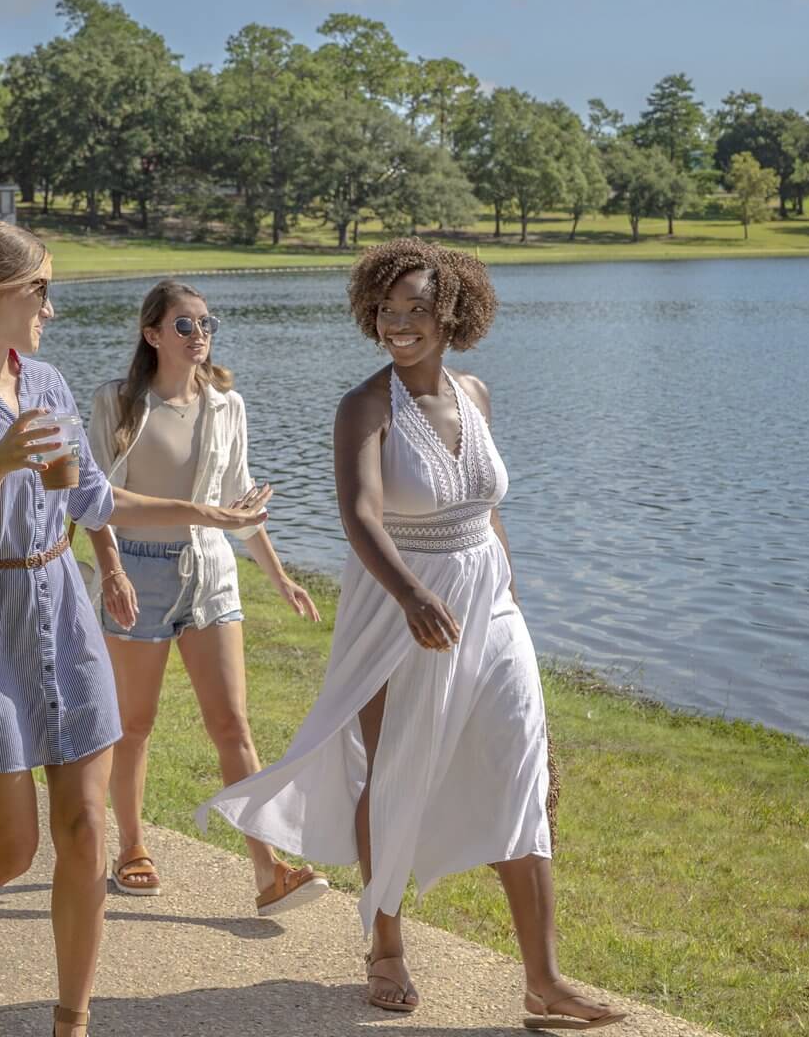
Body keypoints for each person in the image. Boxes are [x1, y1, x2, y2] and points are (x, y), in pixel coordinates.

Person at [199, 238, 627, 1030]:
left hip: (489, 606)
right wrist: (411, 595)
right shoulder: (365, 405)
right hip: (398, 609)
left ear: (453, 312)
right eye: (388, 311)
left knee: (523, 773)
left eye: (416, 310)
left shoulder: (477, 393)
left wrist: (512, 595)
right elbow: (360, 515)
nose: (398, 325)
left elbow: (487, 507)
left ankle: (544, 978)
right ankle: (386, 944)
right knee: (392, 773)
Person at [0, 220, 271, 1037]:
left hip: (63, 608)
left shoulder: (51, 384)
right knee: (10, 846)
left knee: (84, 832)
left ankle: (73, 1020)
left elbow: (96, 498)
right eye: (42, 291)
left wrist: (204, 513)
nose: (51, 310)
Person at [86, 279, 327, 916]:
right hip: (138, 572)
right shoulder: (117, 403)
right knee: (134, 725)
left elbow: (241, 507)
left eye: (207, 324)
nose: (201, 336)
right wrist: (111, 572)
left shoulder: (227, 405)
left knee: (232, 727)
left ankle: (268, 870)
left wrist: (279, 578)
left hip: (211, 574)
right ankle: (132, 847)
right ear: (153, 334)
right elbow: (96, 503)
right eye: (186, 325)